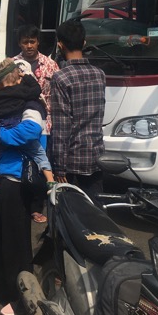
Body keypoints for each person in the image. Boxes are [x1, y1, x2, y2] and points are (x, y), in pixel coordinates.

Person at [0, 59, 50, 315]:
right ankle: (1, 287)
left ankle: (20, 298)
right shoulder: (3, 101)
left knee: (15, 241)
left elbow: (30, 131)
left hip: (19, 178)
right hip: (6, 177)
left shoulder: (30, 104)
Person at [0, 60, 54, 205]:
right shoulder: (23, 95)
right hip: (13, 174)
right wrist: (27, 77)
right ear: (19, 78)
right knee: (40, 154)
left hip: (13, 168)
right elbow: (35, 89)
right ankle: (51, 181)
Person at [49, 20, 106, 199]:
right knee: (95, 210)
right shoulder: (99, 74)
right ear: (84, 43)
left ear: (60, 45)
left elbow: (62, 126)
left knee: (68, 212)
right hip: (96, 155)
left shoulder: (60, 78)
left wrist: (58, 166)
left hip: (71, 160)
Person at [14, 23, 59, 224]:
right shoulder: (11, 65)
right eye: (25, 42)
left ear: (38, 42)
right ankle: (21, 204)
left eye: (32, 41)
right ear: (20, 44)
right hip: (19, 123)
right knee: (21, 163)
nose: (29, 45)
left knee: (41, 165)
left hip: (45, 125)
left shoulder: (51, 65)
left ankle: (37, 206)